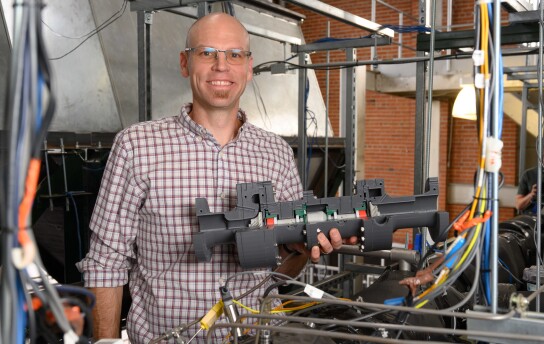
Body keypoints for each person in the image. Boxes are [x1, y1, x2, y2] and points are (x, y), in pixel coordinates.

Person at [77, 13, 354, 343]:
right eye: (207, 52)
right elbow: (106, 262)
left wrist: (302, 248)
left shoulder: (276, 152)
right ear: (185, 63)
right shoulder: (137, 146)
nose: (222, 65)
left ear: (249, 68)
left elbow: (279, 269)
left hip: (258, 336)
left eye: (235, 54)